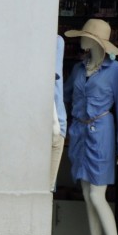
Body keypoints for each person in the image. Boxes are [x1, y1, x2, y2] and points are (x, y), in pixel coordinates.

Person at [63, 18, 118, 235]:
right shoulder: (79, 69)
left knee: (98, 197)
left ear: (97, 41)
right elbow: (66, 94)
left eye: (86, 36)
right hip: (80, 133)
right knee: (88, 197)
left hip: (102, 132)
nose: (81, 40)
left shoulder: (116, 70)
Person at [50, 33, 67, 193]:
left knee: (47, 188)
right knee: (47, 188)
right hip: (55, 122)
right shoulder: (55, 41)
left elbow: (53, 81)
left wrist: (56, 123)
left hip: (55, 122)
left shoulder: (56, 41)